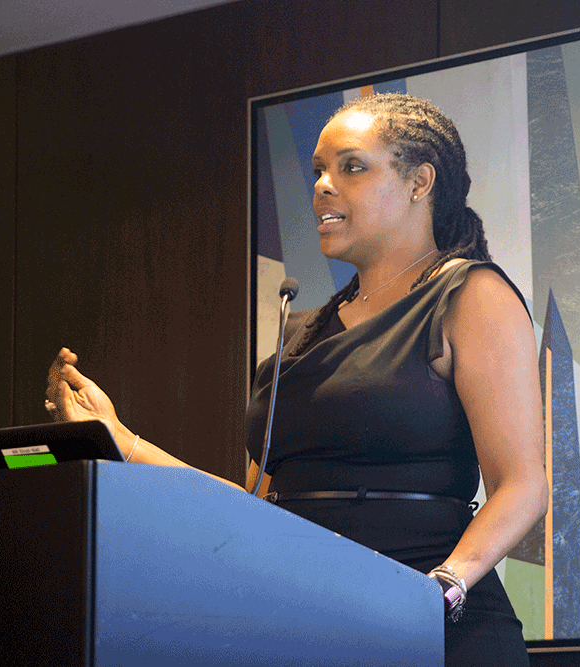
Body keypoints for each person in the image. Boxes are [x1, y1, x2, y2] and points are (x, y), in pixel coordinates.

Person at [46, 93, 547, 666]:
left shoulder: (469, 294)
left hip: (433, 629)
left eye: (351, 167)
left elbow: (522, 485)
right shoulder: (306, 330)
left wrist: (440, 588)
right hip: (309, 622)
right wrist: (116, 437)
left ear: (420, 182)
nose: (323, 186)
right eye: (318, 171)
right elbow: (255, 507)